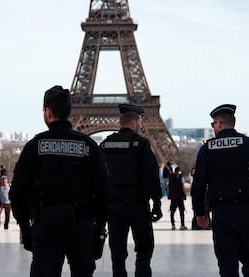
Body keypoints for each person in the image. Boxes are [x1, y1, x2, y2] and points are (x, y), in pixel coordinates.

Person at [9, 85, 109, 277]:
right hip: (81, 226)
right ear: (69, 111)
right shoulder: (88, 146)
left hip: (46, 226)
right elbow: (104, 192)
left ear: (47, 111)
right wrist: (98, 229)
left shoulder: (34, 146)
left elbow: (17, 193)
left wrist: (26, 228)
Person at [192, 104, 249, 277]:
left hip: (222, 212)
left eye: (213, 124)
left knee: (227, 264)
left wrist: (200, 213)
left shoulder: (207, 149)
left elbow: (199, 185)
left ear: (218, 124)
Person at [100, 103, 163, 277]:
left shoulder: (106, 144)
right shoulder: (141, 144)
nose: (141, 126)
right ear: (135, 122)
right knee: (144, 248)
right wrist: (157, 202)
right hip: (137, 205)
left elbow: (98, 178)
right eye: (140, 122)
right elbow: (151, 176)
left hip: (114, 206)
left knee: (117, 251)